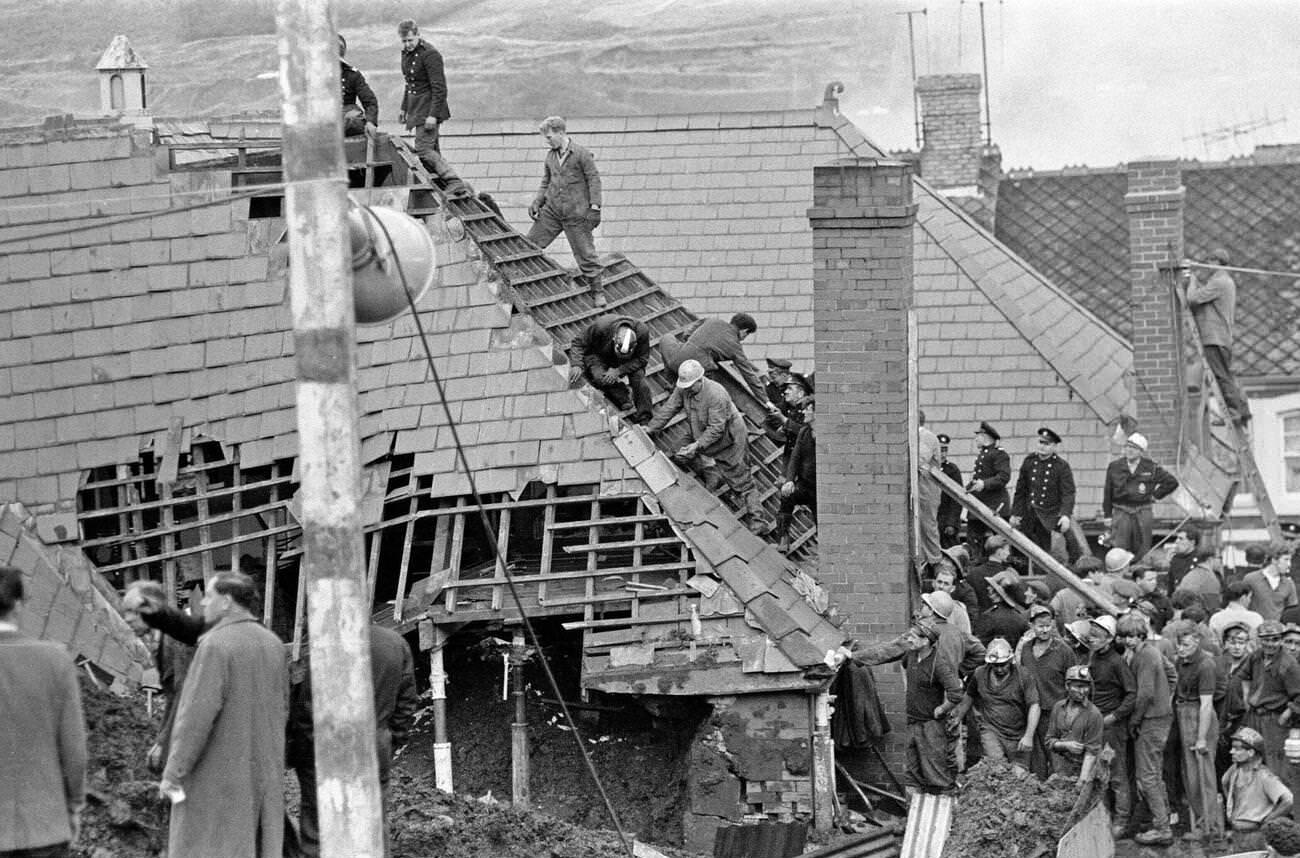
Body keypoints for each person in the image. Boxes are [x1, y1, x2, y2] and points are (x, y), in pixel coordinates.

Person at [161, 571, 289, 858]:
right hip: (262, 771)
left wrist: (173, 774)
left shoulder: (215, 646)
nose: (204, 602)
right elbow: (283, 708)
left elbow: (195, 719)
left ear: (227, 602)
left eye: (209, 595)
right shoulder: (273, 644)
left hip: (218, 777)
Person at [287, 625, 420, 857]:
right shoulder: (394, 643)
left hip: (327, 751)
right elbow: (406, 704)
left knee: (319, 830)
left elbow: (308, 710)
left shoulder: (326, 642)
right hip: (374, 749)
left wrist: (301, 756)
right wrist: (389, 741)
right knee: (373, 827)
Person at [0, 566, 86, 858]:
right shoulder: (55, 659)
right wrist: (74, 804)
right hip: (45, 826)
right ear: (19, 604)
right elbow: (74, 750)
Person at [644, 359, 773, 533]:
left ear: (700, 380)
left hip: (729, 438)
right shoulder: (684, 388)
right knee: (676, 453)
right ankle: (712, 473)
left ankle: (758, 521)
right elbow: (670, 408)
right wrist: (651, 428)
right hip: (699, 429)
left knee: (741, 481)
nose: (687, 389)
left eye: (691, 386)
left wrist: (696, 446)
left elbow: (716, 429)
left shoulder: (716, 394)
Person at [526, 116, 606, 305]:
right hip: (552, 212)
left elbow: (594, 180)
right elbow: (546, 181)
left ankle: (597, 292)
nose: (547, 141)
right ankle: (525, 285)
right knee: (530, 245)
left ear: (561, 133)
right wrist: (538, 201)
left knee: (585, 254)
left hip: (576, 214)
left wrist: (595, 208)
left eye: (549, 137)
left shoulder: (581, 154)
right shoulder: (550, 156)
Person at [1116, 613, 1175, 845]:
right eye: (1125, 636)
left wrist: (1135, 720)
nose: (1129, 640)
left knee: (1147, 776)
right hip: (1157, 716)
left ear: (1142, 635)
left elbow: (1145, 694)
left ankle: (1162, 828)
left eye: (1133, 636)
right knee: (1154, 773)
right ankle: (1163, 820)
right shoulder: (1144, 652)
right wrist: (1167, 698)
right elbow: (1171, 673)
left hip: (1151, 720)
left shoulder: (1147, 655)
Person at [1183, 249, 1250, 428]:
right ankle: (1242, 411)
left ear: (1218, 262)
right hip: (1221, 337)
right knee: (1226, 375)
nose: (1208, 264)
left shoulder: (1219, 282)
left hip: (1214, 337)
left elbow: (1192, 299)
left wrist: (1192, 281)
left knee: (1221, 377)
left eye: (1210, 260)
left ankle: (1234, 413)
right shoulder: (1223, 282)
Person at [1087, 614, 1137, 837]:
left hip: (1111, 726)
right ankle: (1103, 818)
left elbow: (1132, 694)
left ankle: (1121, 820)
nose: (1091, 639)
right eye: (1091, 635)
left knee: (1116, 774)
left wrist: (1115, 716)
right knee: (1098, 774)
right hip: (1095, 722)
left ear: (1108, 639)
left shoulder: (1116, 662)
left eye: (1096, 636)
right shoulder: (1094, 658)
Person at [664, 315, 779, 411]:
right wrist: (766, 401)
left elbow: (688, 331)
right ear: (744, 331)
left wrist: (690, 341)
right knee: (711, 374)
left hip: (675, 362)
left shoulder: (713, 320)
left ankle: (671, 382)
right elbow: (749, 375)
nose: (744, 338)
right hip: (695, 375)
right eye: (746, 335)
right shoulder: (735, 346)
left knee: (667, 338)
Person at [1240, 620, 1300, 802]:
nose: (1270, 643)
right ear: (1259, 640)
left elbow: (1299, 696)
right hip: (1254, 716)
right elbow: (1244, 676)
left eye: (1275, 639)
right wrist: (1246, 699)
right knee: (1254, 763)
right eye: (1266, 639)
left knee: (1278, 767)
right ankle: (1259, 809)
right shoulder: (1256, 656)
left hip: (1275, 720)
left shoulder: (1288, 664)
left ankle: (1285, 815)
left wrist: (1287, 713)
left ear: (1281, 640)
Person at [962, 638, 1040, 769]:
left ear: (1010, 661)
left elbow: (1034, 705)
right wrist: (957, 717)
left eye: (1003, 665)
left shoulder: (1023, 676)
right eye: (995, 665)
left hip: (1017, 733)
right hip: (991, 728)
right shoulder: (980, 674)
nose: (999, 669)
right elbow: (969, 695)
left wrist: (1028, 736)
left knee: (1019, 775)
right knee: (997, 768)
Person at [1020, 604, 1078, 776]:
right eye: (1040, 626)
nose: (1044, 630)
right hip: (1031, 712)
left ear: (1053, 624)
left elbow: (1075, 683)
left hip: (1055, 714)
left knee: (1058, 760)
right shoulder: (1026, 649)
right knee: (1035, 761)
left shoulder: (1063, 651)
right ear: (1031, 626)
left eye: (1048, 626)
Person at [1011, 427, 1082, 565]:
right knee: (1024, 548)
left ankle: (1076, 567)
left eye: (1047, 444)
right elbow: (1021, 490)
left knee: (1070, 544)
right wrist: (1016, 513)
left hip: (1052, 514)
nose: (1042, 447)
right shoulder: (1029, 462)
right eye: (1040, 443)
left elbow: (1068, 493)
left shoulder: (1061, 466)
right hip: (1031, 514)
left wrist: (1065, 515)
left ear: (1054, 447)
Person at [1102, 433, 1179, 558]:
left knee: (1143, 547)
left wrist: (1155, 495)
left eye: (1134, 448)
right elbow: (1108, 491)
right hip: (1121, 512)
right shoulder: (1114, 466)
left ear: (1141, 451)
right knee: (1119, 548)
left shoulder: (1151, 467)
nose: (1129, 450)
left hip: (1143, 511)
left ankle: (1140, 573)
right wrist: (1107, 515)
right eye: (1128, 446)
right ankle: (1120, 573)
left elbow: (1172, 482)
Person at [568, 314, 653, 422]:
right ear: (614, 338)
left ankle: (645, 418)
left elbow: (642, 359)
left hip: (628, 362)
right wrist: (576, 364)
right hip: (599, 355)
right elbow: (578, 343)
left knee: (640, 381)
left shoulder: (642, 331)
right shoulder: (601, 326)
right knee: (600, 377)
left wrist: (619, 370)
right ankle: (621, 395)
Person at [1222, 726, 1293, 849]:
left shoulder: (1264, 776)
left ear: (1251, 752)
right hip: (1237, 833)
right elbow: (1224, 782)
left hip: (1256, 835)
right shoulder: (1235, 770)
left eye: (1237, 749)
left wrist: (1267, 820)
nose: (1231, 752)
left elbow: (1288, 800)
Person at [1045, 664, 1106, 785]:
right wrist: (1065, 745)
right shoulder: (1058, 708)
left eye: (1086, 687)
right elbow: (1049, 740)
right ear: (1067, 686)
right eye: (1078, 687)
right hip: (1059, 770)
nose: (1083, 691)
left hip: (1082, 771)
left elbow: (1092, 752)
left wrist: (1082, 781)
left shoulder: (1094, 714)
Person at [398, 20, 449, 159]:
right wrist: (404, 108)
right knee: (432, 151)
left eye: (410, 40)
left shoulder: (430, 54)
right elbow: (409, 83)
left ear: (418, 35)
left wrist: (432, 116)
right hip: (416, 108)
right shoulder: (407, 54)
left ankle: (453, 181)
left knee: (423, 150)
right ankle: (442, 182)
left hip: (429, 109)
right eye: (404, 41)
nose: (407, 44)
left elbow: (440, 88)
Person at [776, 397, 816, 553]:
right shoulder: (804, 432)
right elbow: (795, 457)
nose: (804, 412)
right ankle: (783, 538)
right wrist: (789, 480)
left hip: (821, 490)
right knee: (786, 496)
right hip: (805, 486)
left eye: (808, 409)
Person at [966, 421, 1011, 553]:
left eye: (977, 436)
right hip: (979, 505)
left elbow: (1003, 476)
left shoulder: (999, 454)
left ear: (985, 436)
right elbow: (979, 476)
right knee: (974, 541)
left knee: (1000, 543)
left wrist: (984, 484)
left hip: (995, 506)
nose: (975, 439)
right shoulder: (983, 454)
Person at [917, 411, 944, 572]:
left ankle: (935, 562)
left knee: (928, 526)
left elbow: (920, 459)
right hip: (921, 490)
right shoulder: (920, 436)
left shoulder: (927, 437)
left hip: (927, 490)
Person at [1245, 542, 1300, 622]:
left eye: (1290, 560)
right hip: (1257, 630)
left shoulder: (1289, 584)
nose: (1289, 564)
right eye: (1286, 559)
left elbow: (1292, 612)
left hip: (1280, 631)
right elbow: (1243, 606)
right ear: (1274, 560)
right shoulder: (1250, 579)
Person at [338, 35, 378, 138]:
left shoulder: (352, 75)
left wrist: (370, 122)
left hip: (347, 119)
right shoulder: (316, 76)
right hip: (324, 120)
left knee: (353, 119)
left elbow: (370, 102)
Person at [977, 569, 1029, 647]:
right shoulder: (1020, 618)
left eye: (991, 587)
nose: (988, 588)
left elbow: (980, 647)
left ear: (996, 593)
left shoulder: (988, 617)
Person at [936, 434, 963, 548]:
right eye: (940, 450)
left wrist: (951, 523)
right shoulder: (927, 468)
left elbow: (957, 499)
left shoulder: (952, 470)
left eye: (945, 450)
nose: (943, 454)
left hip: (946, 520)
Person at [929, 563, 972, 635]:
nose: (941, 586)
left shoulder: (958, 611)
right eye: (939, 582)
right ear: (933, 583)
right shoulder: (924, 604)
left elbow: (966, 638)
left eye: (946, 584)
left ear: (952, 588)